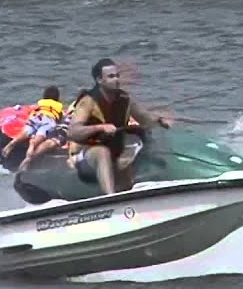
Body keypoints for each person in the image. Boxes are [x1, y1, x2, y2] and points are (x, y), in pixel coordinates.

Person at [67, 57, 170, 195]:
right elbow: (73, 132)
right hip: (88, 160)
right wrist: (100, 127)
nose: (116, 79)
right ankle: (111, 198)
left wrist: (159, 121)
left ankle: (129, 200)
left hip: (116, 155)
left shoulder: (125, 99)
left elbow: (144, 118)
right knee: (102, 152)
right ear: (99, 80)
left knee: (129, 154)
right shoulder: (88, 102)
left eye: (117, 76)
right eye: (110, 76)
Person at [0, 85, 66, 167]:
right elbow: (60, 119)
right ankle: (28, 156)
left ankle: (13, 143)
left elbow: (31, 110)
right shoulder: (59, 106)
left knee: (27, 131)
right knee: (36, 140)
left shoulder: (41, 103)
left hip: (36, 116)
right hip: (48, 120)